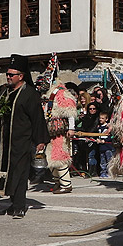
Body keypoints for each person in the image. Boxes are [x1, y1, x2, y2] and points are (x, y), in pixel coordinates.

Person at [0, 54, 47, 218]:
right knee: (9, 173)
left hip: (23, 140)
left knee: (20, 173)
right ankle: (14, 203)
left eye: (11, 75)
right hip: (5, 142)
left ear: (21, 76)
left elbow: (37, 119)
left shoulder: (30, 94)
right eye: (7, 74)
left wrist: (40, 140)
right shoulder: (5, 92)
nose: (8, 77)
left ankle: (20, 206)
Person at [40, 55, 76, 194]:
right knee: (51, 156)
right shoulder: (49, 95)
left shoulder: (61, 93)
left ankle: (66, 184)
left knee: (59, 156)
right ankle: (57, 182)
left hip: (59, 130)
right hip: (50, 130)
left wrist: (71, 128)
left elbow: (70, 112)